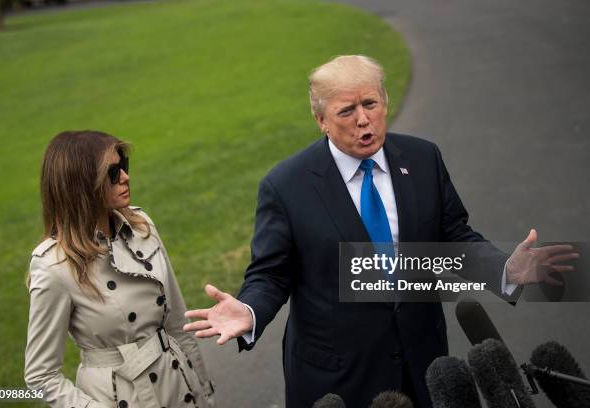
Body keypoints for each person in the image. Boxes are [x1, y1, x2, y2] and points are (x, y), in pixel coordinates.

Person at [183, 56, 576, 407]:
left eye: (370, 104)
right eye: (346, 111)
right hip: (338, 379)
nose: (363, 120)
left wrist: (505, 269)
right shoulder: (286, 185)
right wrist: (250, 311)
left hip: (423, 367)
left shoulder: (423, 158)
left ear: (384, 101)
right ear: (321, 120)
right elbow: (271, 274)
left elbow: (453, 234)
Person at [24, 130, 215, 408]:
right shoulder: (53, 265)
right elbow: (41, 377)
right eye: (112, 173)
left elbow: (177, 325)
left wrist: (205, 391)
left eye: (123, 167)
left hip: (178, 384)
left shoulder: (141, 225)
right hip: (119, 396)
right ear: (81, 185)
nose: (125, 177)